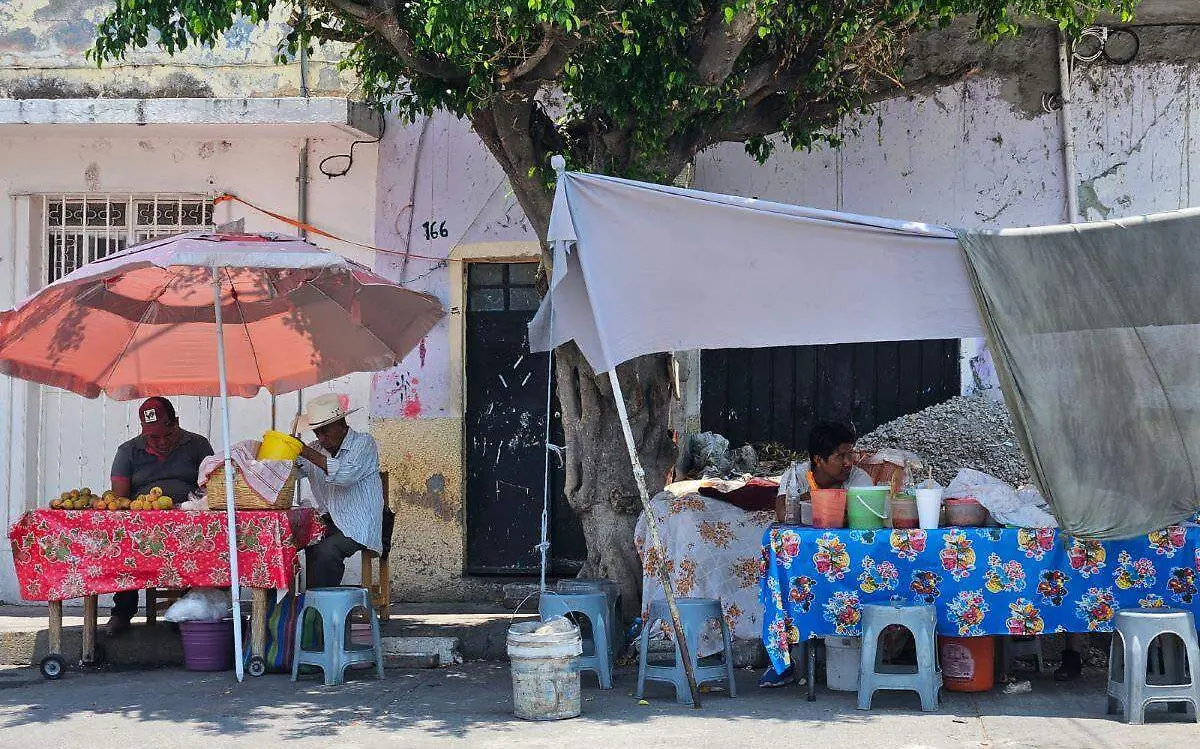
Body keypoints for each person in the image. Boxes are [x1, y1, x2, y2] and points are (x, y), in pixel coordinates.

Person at [760, 421, 873, 687]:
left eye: (850, 454)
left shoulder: (859, 479)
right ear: (818, 460)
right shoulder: (796, 476)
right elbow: (781, 511)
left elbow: (868, 517)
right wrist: (812, 499)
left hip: (851, 565)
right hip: (805, 565)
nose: (848, 462)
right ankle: (784, 661)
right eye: (840, 456)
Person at [105, 397, 214, 636]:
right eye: (154, 437)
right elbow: (119, 502)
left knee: (205, 542)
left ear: (176, 423)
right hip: (142, 528)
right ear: (144, 432)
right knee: (124, 541)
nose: (162, 442)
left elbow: (212, 488)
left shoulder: (198, 445)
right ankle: (122, 612)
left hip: (189, 523)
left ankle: (188, 610)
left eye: (167, 433)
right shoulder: (128, 452)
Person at [294, 394, 384, 589]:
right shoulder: (317, 448)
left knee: (328, 550)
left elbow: (345, 476)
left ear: (342, 424)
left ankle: (325, 604)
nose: (322, 439)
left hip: (359, 523)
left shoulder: (364, 443)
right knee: (304, 542)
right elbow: (292, 471)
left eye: (325, 432)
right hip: (331, 519)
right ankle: (312, 603)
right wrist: (286, 452)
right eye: (317, 433)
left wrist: (306, 452)